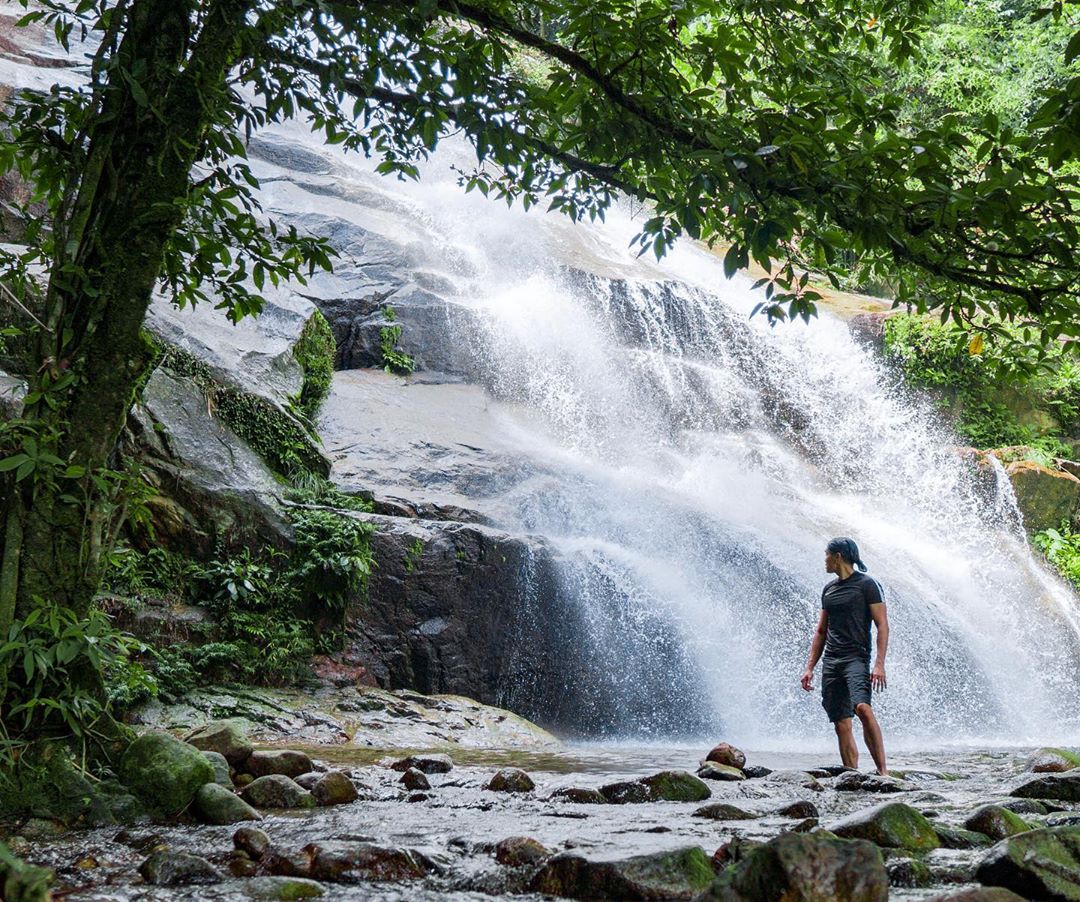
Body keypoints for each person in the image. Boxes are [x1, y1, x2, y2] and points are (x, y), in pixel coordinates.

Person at [800, 537, 889, 775]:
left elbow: (882, 626)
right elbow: (821, 631)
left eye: (827, 555)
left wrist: (879, 664)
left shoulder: (868, 585)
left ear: (838, 556)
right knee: (841, 721)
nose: (825, 560)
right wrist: (809, 667)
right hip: (831, 660)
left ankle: (884, 773)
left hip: (856, 658)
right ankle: (852, 774)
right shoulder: (828, 589)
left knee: (862, 707)